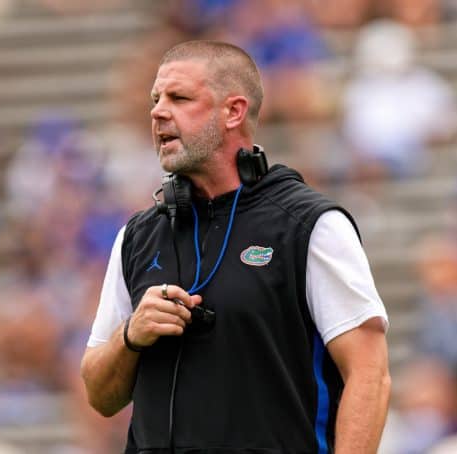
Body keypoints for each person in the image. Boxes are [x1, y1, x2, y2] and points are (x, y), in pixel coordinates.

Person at [80, 40, 391, 453]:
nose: (157, 111)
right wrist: (131, 336)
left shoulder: (311, 226)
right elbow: (100, 396)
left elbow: (370, 373)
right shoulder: (137, 237)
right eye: (156, 99)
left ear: (233, 111)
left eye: (180, 97)